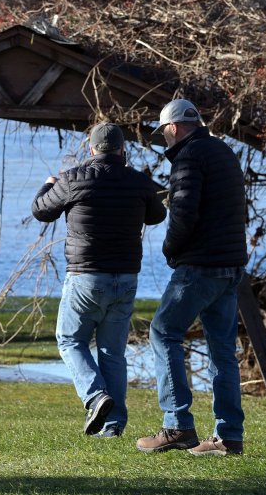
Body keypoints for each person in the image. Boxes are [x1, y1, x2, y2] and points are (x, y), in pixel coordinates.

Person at [32, 122, 166, 438]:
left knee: (70, 340)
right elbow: (158, 215)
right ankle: (113, 423)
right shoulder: (139, 182)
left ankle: (95, 396)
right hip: (126, 278)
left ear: (92, 150)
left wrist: (47, 185)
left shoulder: (71, 179)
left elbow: (41, 211)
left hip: (86, 277)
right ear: (122, 150)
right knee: (112, 352)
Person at [135, 98, 249, 457]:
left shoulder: (188, 157)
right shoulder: (224, 152)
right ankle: (228, 437)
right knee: (222, 352)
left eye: (163, 135)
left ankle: (177, 425)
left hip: (200, 265)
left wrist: (170, 249)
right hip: (231, 266)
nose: (164, 143)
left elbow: (183, 212)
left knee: (163, 331)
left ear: (172, 128)